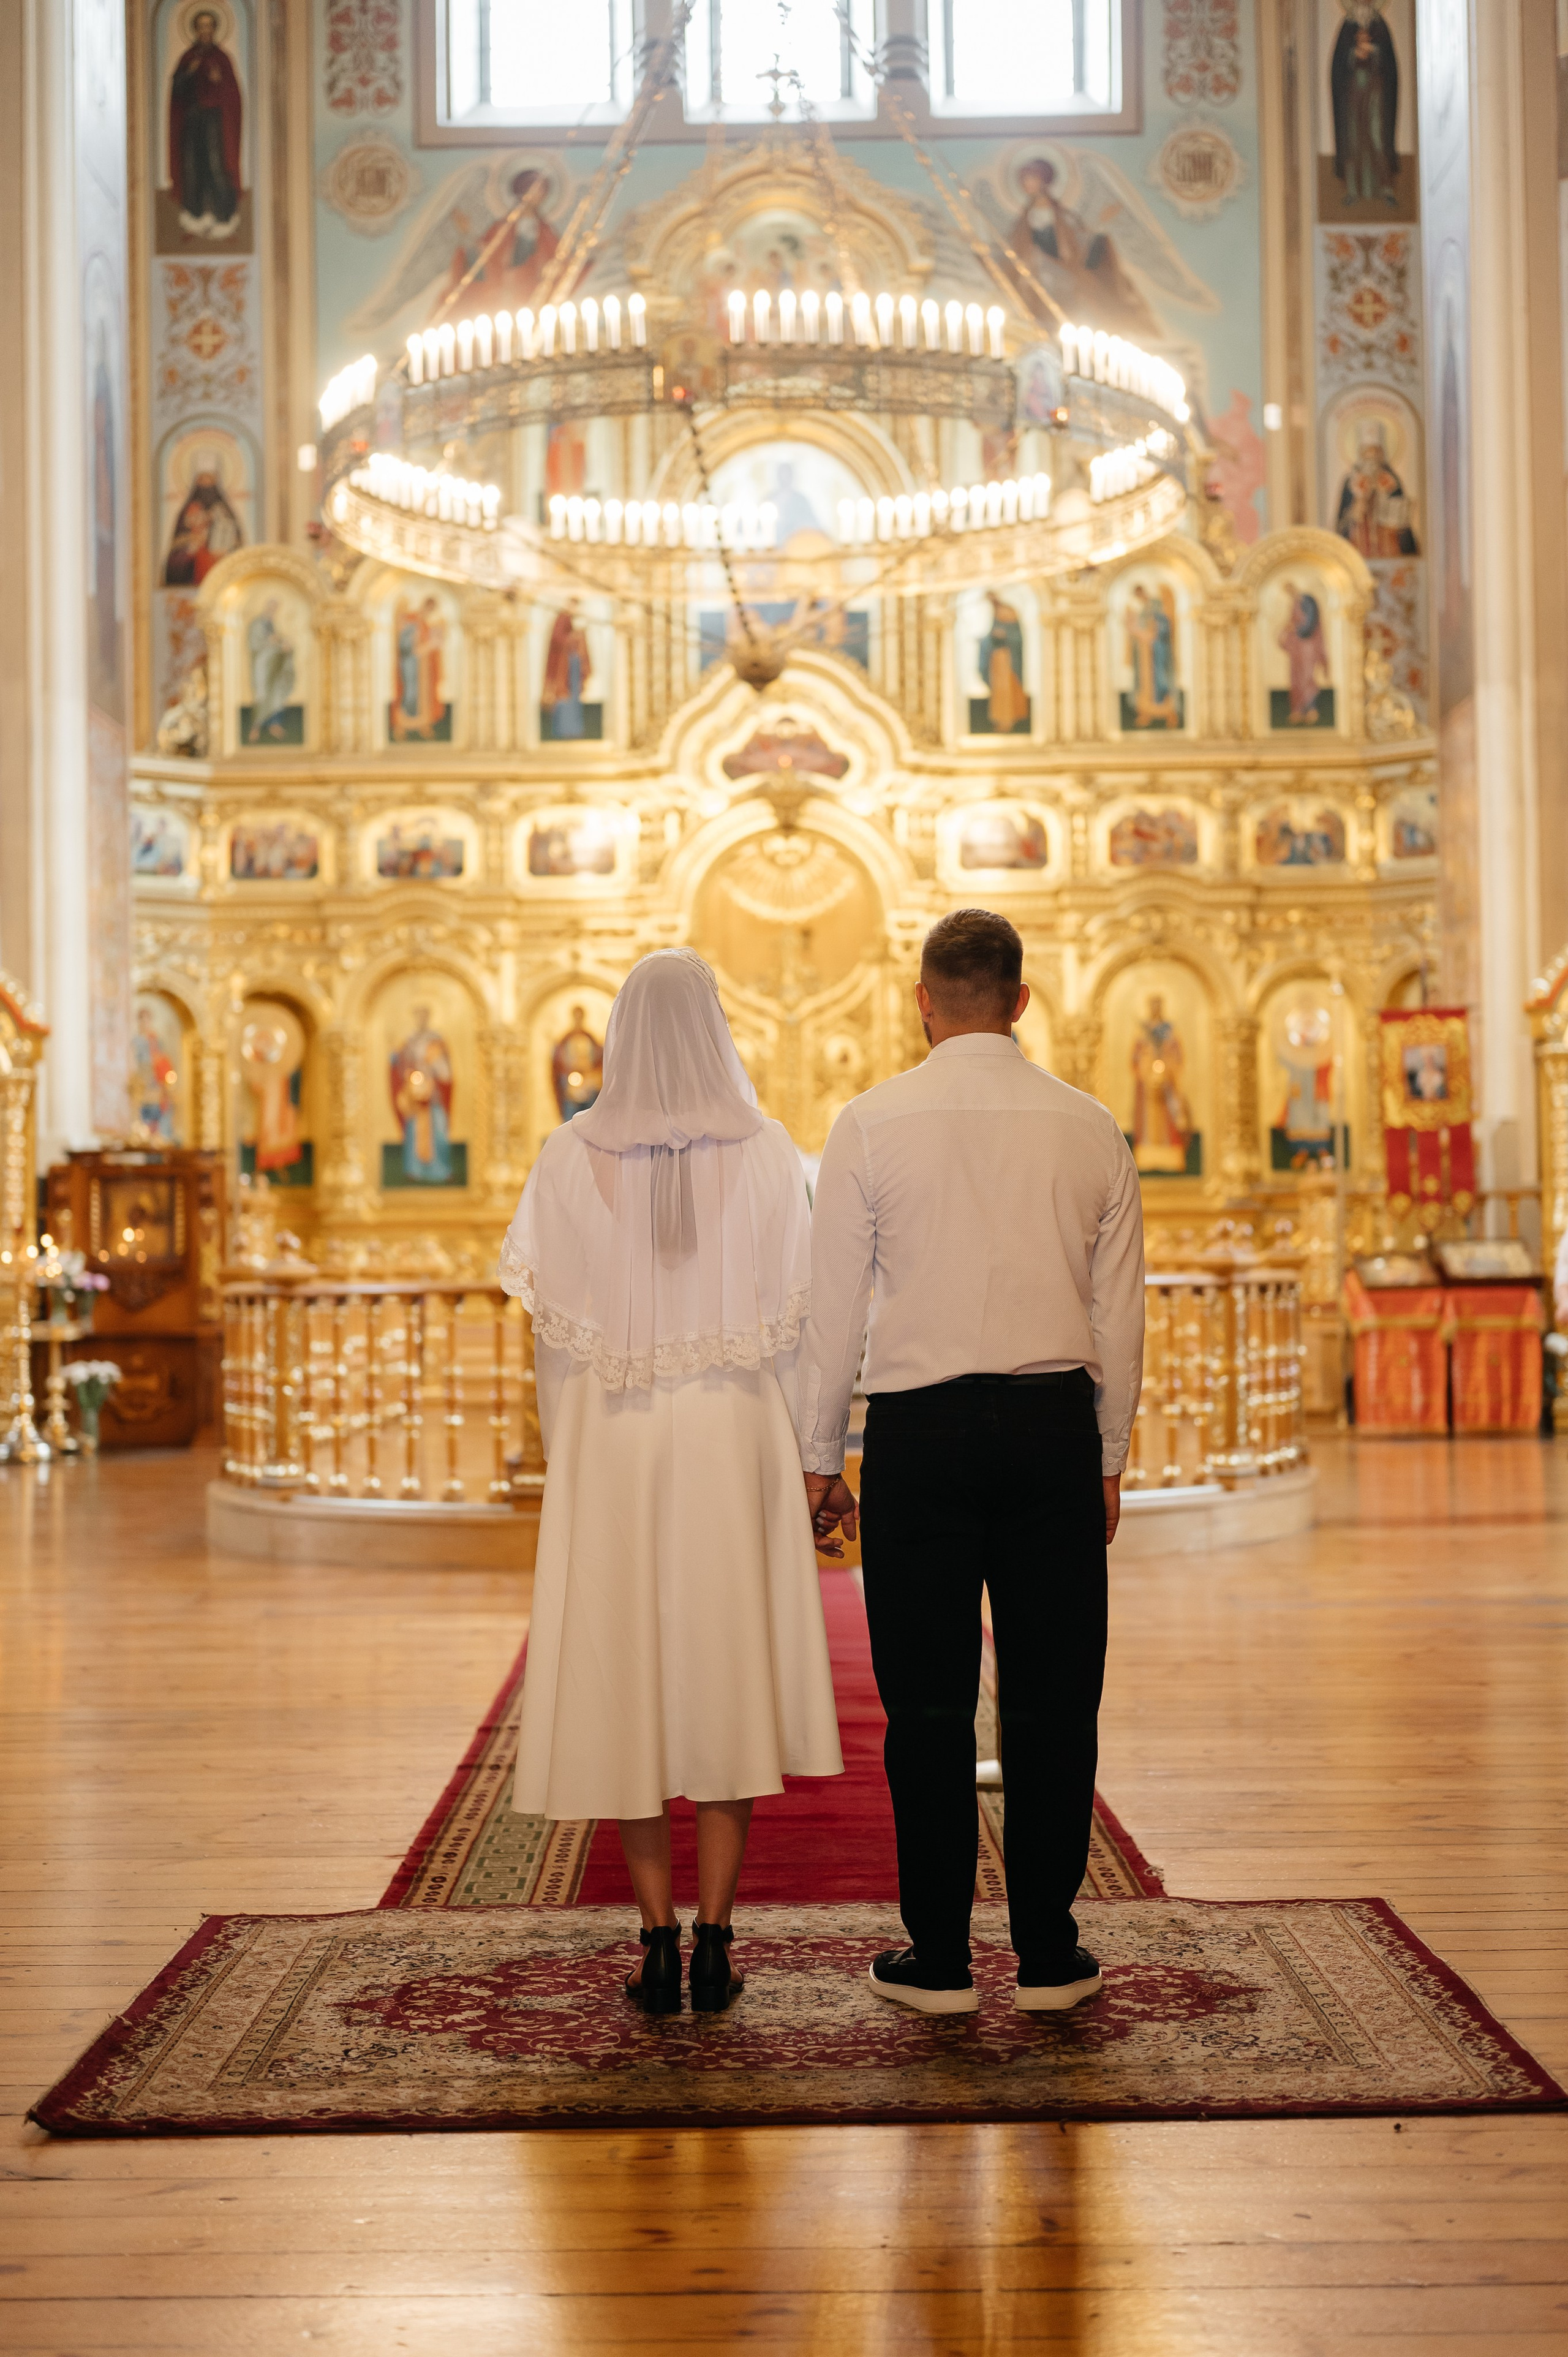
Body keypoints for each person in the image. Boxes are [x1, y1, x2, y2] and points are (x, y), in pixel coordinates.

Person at [800, 908, 1144, 2016]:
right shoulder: (1091, 1126)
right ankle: (1049, 1953)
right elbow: (1120, 1314)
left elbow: (832, 1309)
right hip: (1052, 1429)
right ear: (1022, 1000)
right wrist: (1109, 1454)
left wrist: (819, 1457)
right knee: (1055, 1701)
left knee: (930, 1706)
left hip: (919, 1436)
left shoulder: (869, 1122)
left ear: (921, 1000)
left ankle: (939, 1961)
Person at [499, 951, 843, 2014]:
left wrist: (576, 1455)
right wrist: (810, 1455)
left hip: (615, 1435)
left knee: (628, 1676)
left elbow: (553, 1345)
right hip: (732, 1431)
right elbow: (801, 1331)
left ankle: (653, 1938)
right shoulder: (773, 1151)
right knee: (723, 1670)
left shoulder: (567, 1156)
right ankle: (717, 1938)